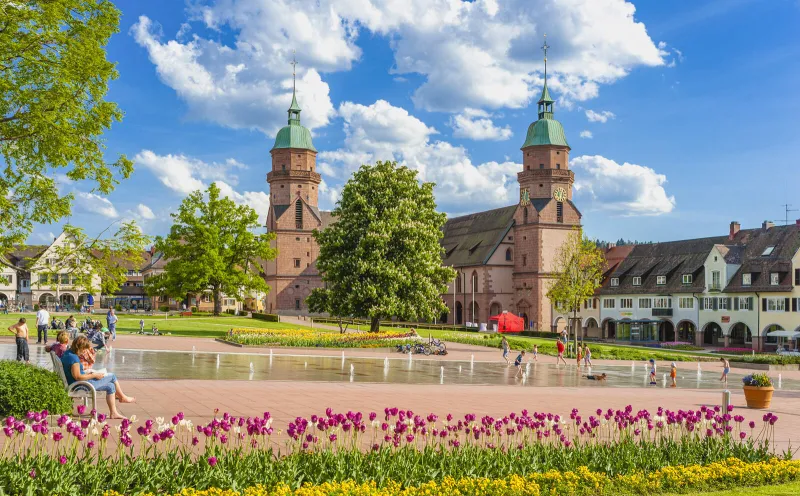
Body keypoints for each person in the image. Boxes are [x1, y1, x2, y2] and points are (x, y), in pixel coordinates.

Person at [61, 336, 135, 419]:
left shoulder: (68, 353)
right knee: (112, 376)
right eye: (84, 349)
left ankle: (113, 413)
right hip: (81, 385)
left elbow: (76, 374)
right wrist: (94, 375)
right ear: (79, 347)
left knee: (111, 386)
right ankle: (122, 397)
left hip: (79, 383)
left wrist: (89, 373)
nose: (84, 352)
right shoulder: (73, 358)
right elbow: (78, 376)